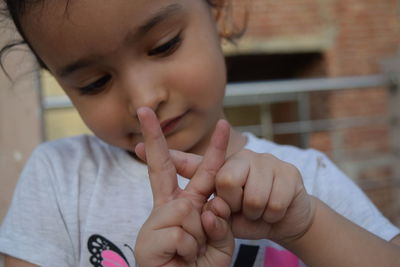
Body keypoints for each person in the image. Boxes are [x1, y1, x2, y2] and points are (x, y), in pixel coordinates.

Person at [0, 0, 399, 266]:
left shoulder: (307, 182)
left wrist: (308, 226)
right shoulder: (59, 177)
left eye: (163, 46)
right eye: (93, 82)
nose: (145, 100)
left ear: (218, 11)